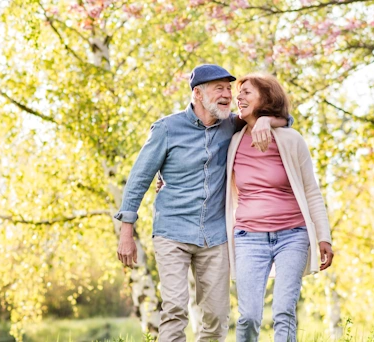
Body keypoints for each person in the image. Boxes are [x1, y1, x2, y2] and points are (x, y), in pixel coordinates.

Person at [115, 64, 291, 342]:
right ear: (198, 93)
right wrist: (126, 233)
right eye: (219, 88)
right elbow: (138, 179)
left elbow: (285, 119)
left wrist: (268, 121)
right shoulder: (167, 129)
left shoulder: (232, 125)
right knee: (174, 309)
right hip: (172, 232)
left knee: (216, 317)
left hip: (215, 235)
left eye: (229, 88)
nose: (227, 95)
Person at [224, 73, 334, 342]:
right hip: (249, 237)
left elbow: (311, 191)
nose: (239, 97)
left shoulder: (291, 139)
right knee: (248, 316)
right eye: (239, 93)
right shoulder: (232, 139)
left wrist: (324, 237)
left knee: (284, 311)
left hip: (292, 236)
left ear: (266, 97)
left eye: (247, 92)